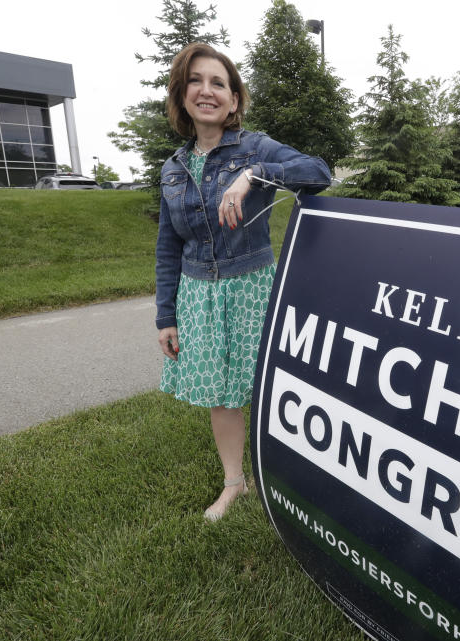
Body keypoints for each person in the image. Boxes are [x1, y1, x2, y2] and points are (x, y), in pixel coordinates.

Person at [155, 42, 330, 521]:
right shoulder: (172, 170)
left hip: (252, 287)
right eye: (196, 81)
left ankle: (290, 472)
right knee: (219, 393)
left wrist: (256, 173)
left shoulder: (255, 147)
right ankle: (236, 482)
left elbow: (319, 173)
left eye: (218, 83)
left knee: (269, 386)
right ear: (182, 94)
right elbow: (168, 248)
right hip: (198, 295)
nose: (206, 91)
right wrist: (165, 316)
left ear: (233, 100)